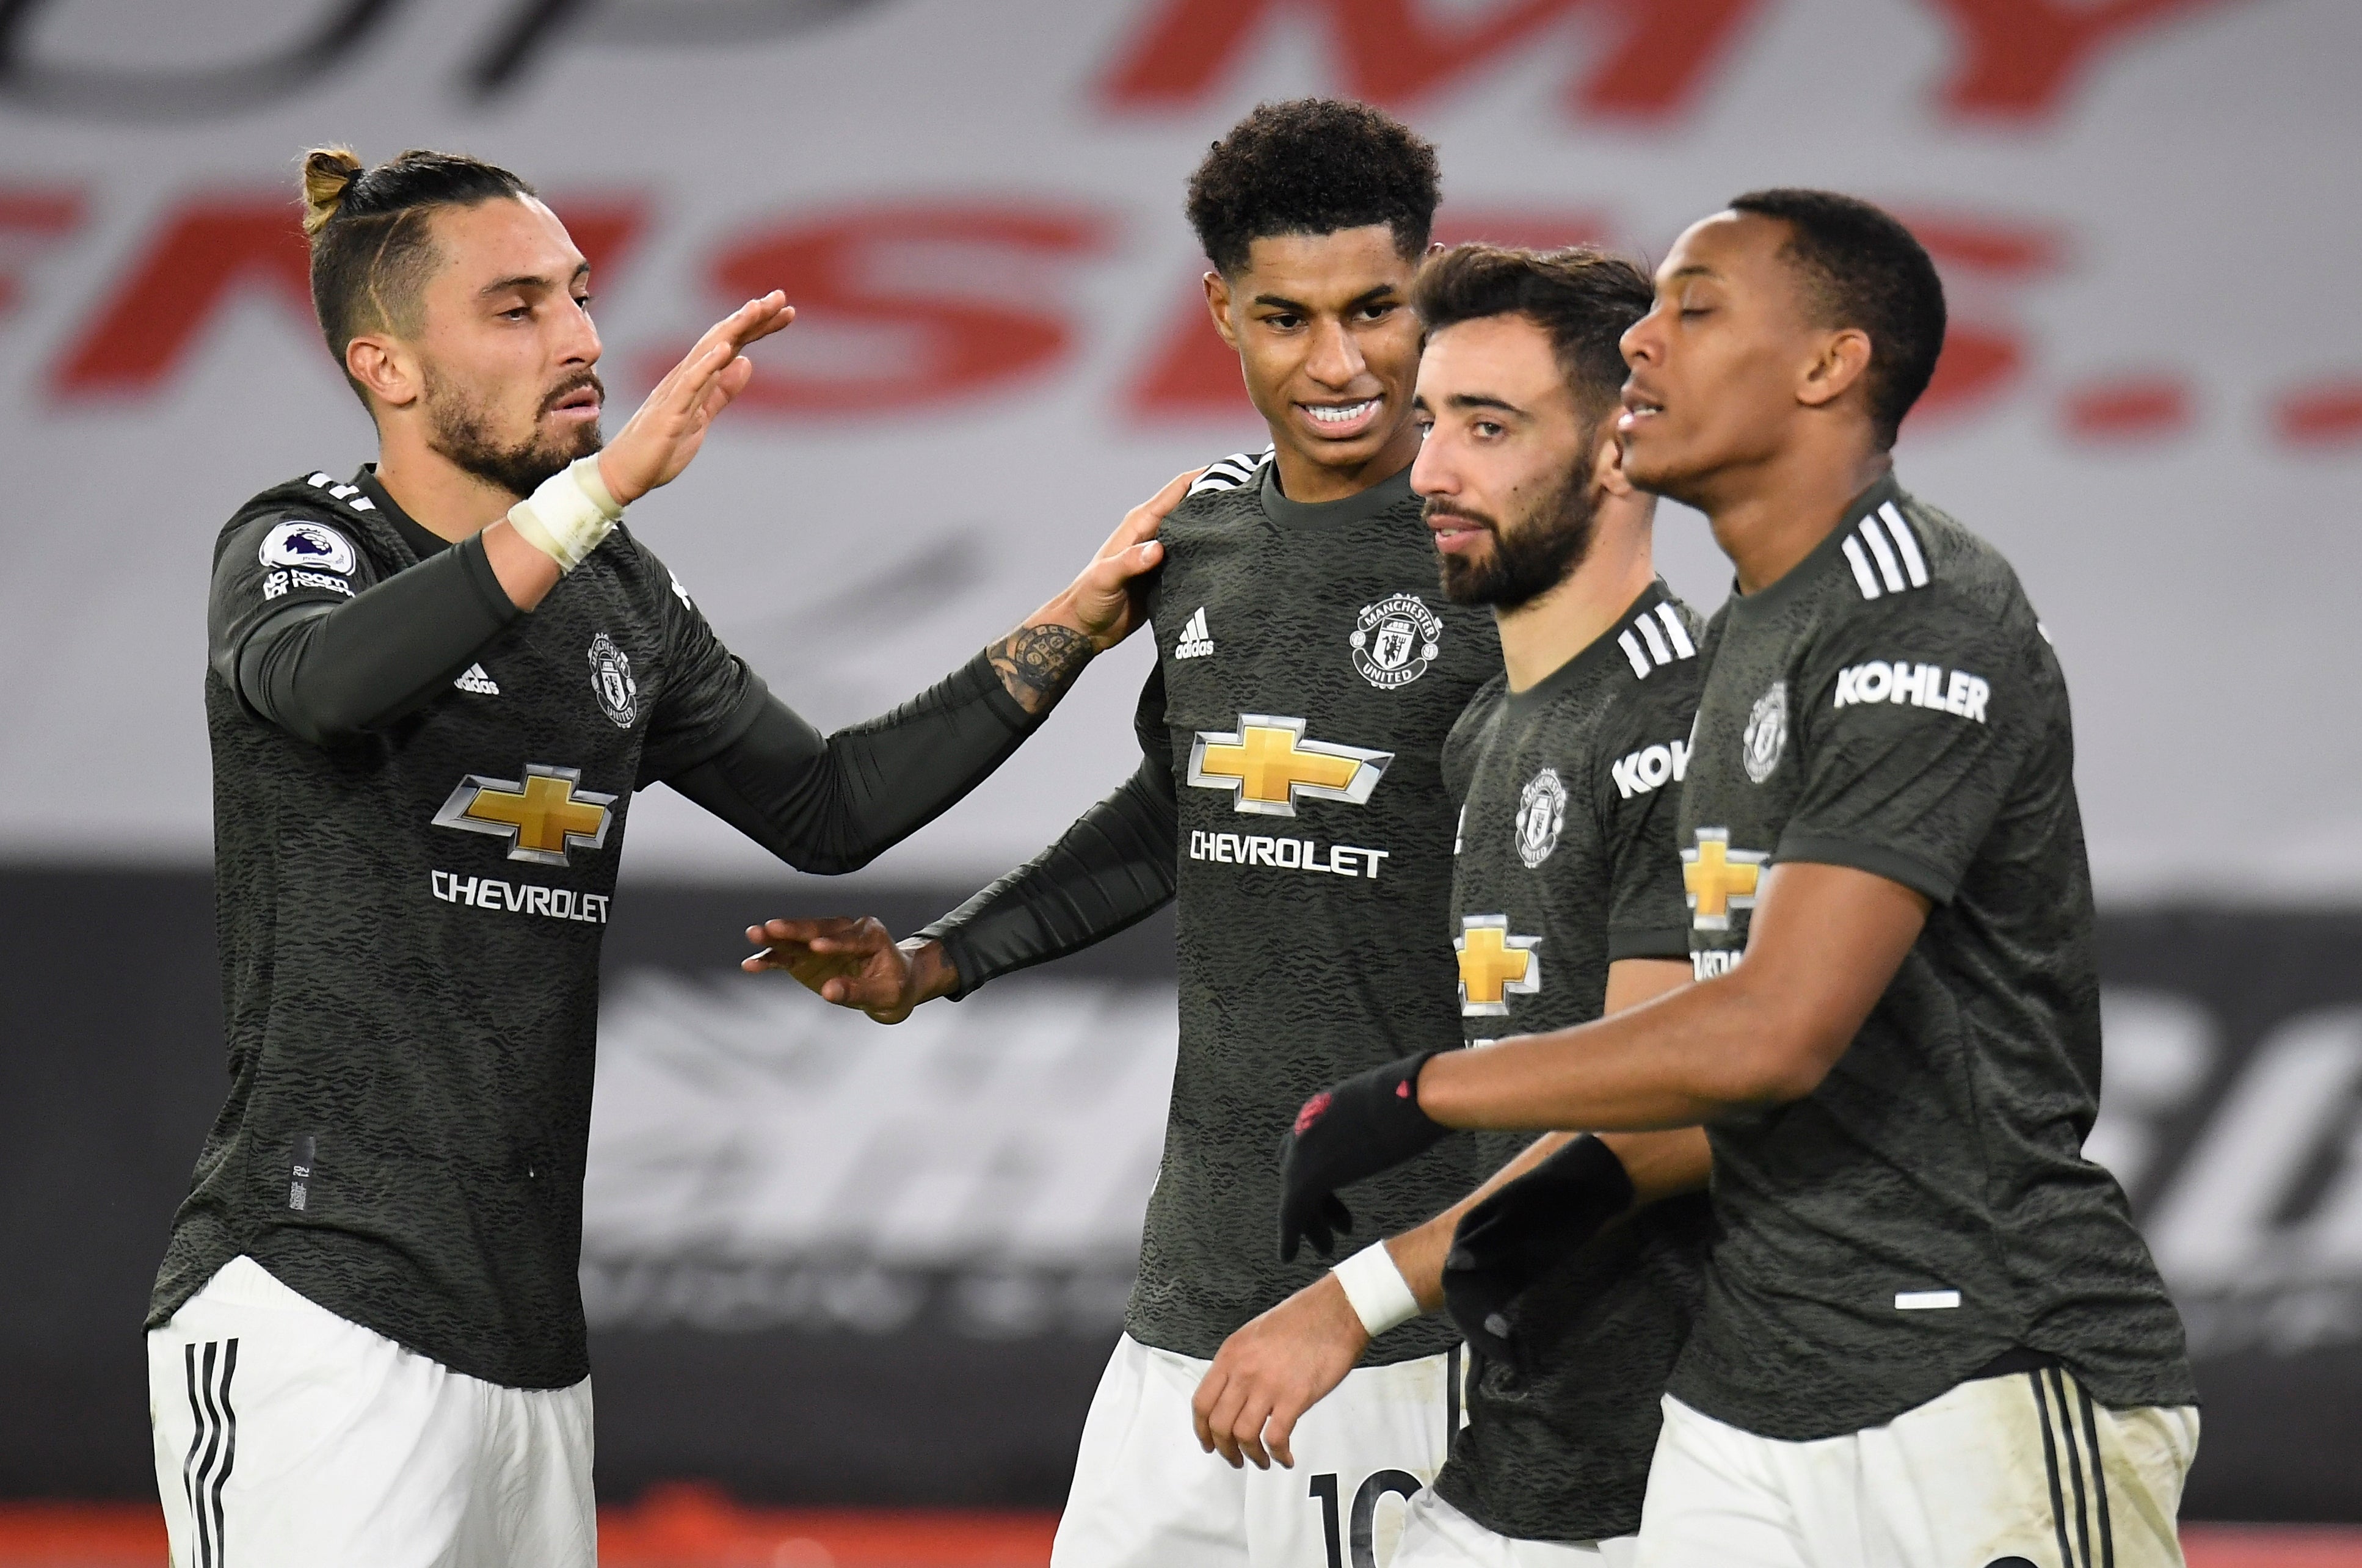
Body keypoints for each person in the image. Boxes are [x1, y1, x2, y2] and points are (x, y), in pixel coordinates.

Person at [145, 145, 1180, 1568]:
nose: (578, 338)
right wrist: (603, 488)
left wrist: (1072, 620)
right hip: (315, 1303)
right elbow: (324, 686)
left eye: (576, 296)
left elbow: (829, 806)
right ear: (386, 368)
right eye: (515, 309)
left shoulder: (618, 595)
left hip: (527, 1348)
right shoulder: (311, 539)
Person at [1275, 191, 2200, 1567]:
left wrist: (1413, 1097)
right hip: (1744, 1389)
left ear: (1828, 366)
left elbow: (1769, 1034)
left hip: (1971, 1364)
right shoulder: (1751, 636)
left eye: (1692, 310)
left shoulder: (1919, 614)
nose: (1641, 344)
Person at [747, 101, 1499, 1567]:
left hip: (1412, 1324)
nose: (1337, 364)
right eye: (1286, 318)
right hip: (1187, 1305)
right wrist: (933, 964)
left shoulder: (1507, 544)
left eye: (1374, 311)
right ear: (1219, 310)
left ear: (1433, 287)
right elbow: (1184, 808)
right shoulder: (1199, 541)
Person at [1191, 243, 1712, 1568]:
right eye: (1430, 423)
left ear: (1619, 447)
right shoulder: (1494, 725)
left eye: (1486, 427)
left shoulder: (1685, 722)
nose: (1428, 470)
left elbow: (1674, 1115)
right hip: (1532, 1447)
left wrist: (1349, 1299)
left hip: (1690, 1480)